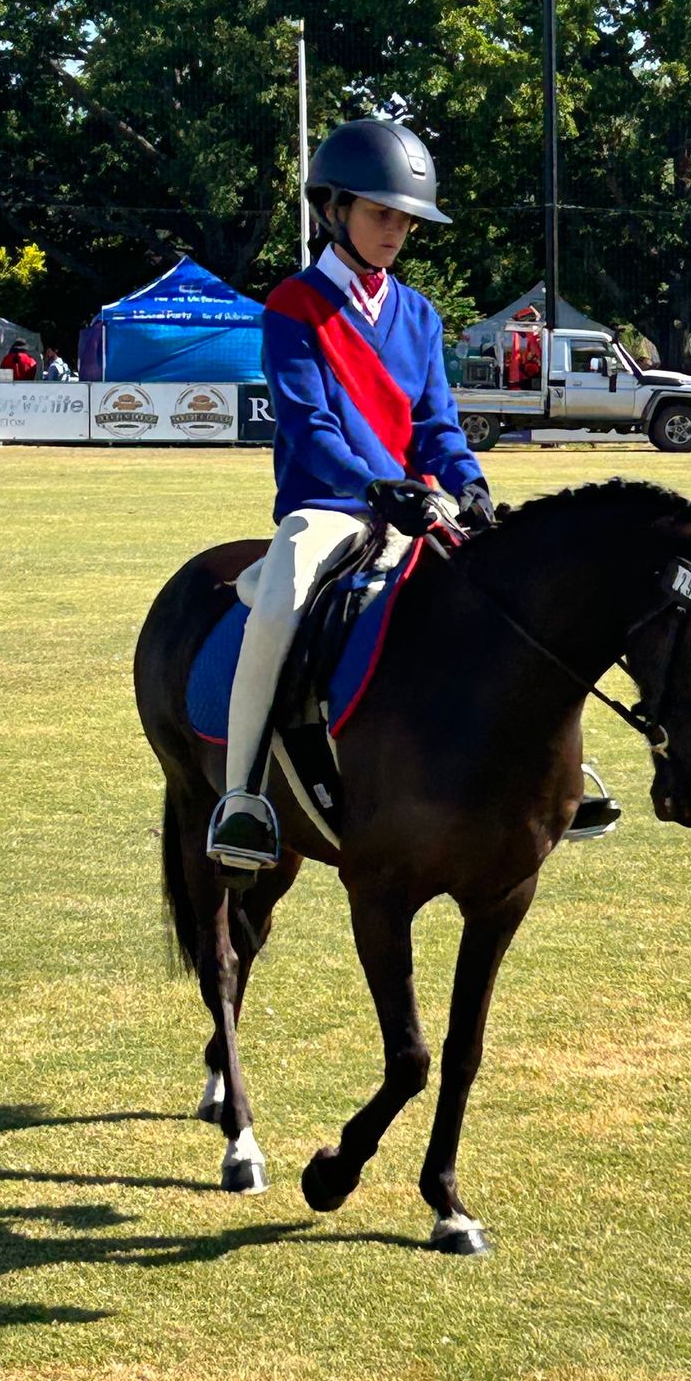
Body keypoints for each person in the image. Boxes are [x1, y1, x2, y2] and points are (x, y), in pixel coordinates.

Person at [207, 118, 495, 873]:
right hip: (329, 507)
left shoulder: (421, 314)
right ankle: (242, 795)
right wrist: (375, 486)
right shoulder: (294, 307)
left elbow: (436, 423)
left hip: (419, 505)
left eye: (405, 218)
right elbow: (310, 426)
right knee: (284, 593)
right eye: (381, 213)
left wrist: (469, 482)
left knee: (508, 592)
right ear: (333, 209)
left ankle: (541, 777)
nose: (396, 230)